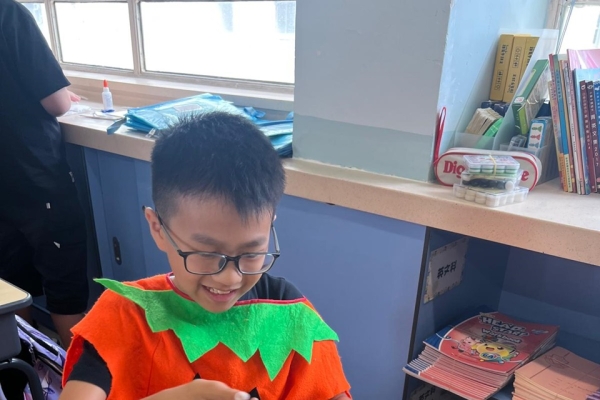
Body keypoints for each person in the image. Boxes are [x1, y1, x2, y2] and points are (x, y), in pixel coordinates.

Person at [59, 112, 352, 400]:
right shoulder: (124, 315)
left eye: (251, 253)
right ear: (158, 228)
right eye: (206, 254)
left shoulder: (288, 310)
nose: (230, 278)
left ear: (270, 226)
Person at [0, 0, 88, 348]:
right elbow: (57, 103)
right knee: (65, 287)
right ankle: (73, 372)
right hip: (35, 177)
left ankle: (28, 370)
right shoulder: (9, 13)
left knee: (13, 287)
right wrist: (62, 94)